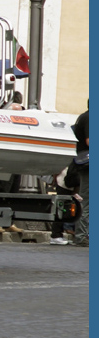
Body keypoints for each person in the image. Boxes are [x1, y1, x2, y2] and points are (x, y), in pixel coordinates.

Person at [71, 102, 88, 246]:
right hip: (88, 164)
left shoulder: (83, 117)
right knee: (87, 200)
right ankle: (82, 236)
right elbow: (90, 141)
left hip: (85, 163)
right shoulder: (90, 118)